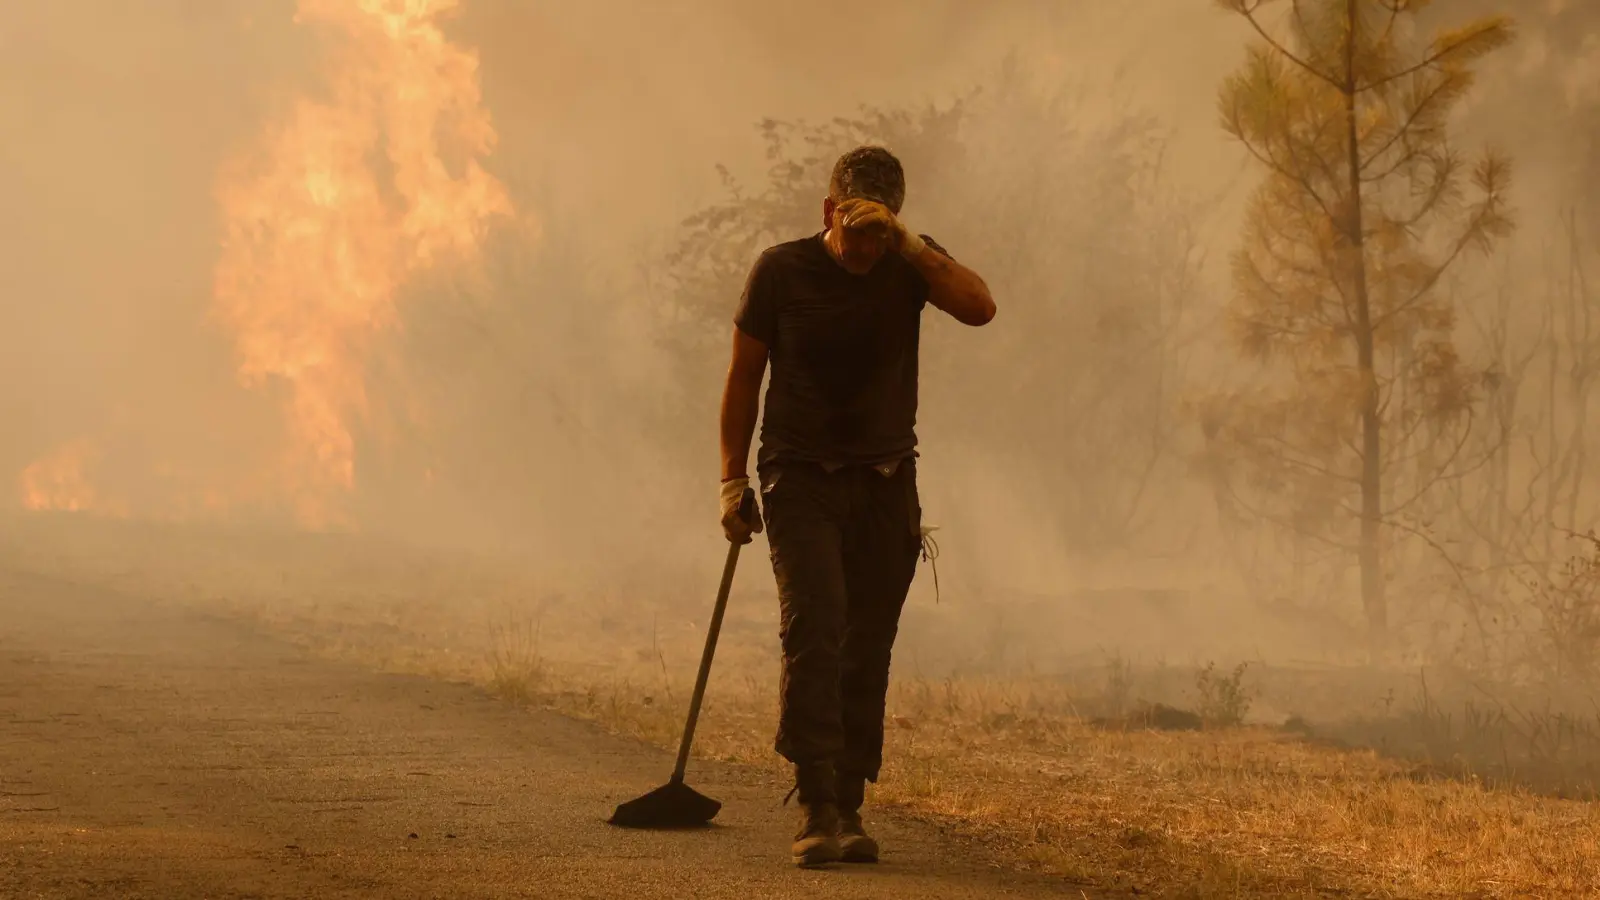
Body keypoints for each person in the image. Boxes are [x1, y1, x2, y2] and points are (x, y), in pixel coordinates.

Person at [716, 145, 996, 867]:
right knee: (816, 628)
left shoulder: (909, 264)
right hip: (798, 475)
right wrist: (730, 482)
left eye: (882, 231)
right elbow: (744, 380)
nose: (867, 247)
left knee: (868, 644)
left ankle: (851, 800)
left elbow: (981, 308)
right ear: (827, 212)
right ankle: (816, 805)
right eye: (856, 229)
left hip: (884, 479)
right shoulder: (781, 271)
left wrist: (909, 243)